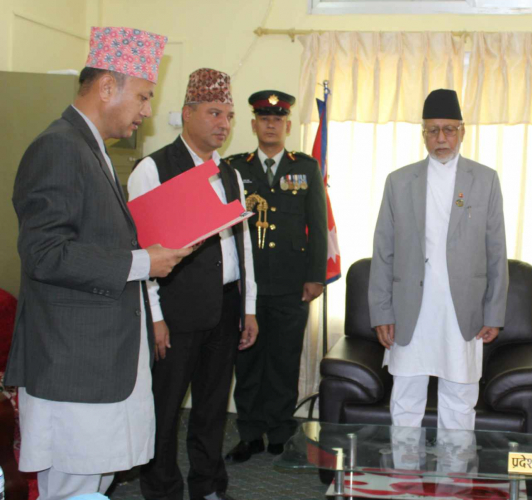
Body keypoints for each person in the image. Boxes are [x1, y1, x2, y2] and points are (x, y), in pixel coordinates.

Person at [5, 26, 192, 500]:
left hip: (101, 363)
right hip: (74, 367)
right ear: (108, 86)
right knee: (72, 488)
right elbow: (44, 254)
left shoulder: (94, 151)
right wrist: (140, 263)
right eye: (145, 97)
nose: (148, 111)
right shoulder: (58, 147)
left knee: (95, 483)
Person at [129, 68, 259, 500]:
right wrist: (155, 317)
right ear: (187, 114)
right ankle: (162, 489)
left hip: (224, 308)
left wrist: (248, 308)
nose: (223, 123)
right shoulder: (154, 169)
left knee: (211, 407)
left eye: (229, 115)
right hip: (176, 312)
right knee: (165, 411)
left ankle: (208, 485)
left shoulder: (230, 174)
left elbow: (243, 248)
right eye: (213, 112)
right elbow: (142, 250)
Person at [368, 88, 508, 431]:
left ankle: (454, 483)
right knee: (405, 399)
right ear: (423, 134)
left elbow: (496, 251)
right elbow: (383, 251)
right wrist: (382, 311)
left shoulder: (485, 180)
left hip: (462, 309)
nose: (441, 138)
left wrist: (494, 312)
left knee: (459, 401)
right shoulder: (399, 182)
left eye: (449, 129)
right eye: (433, 130)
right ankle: (403, 482)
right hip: (409, 307)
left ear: (462, 132)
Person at [223, 90, 327, 463]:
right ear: (252, 125)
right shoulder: (234, 167)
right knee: (247, 363)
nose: (271, 124)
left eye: (278, 118)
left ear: (287, 125)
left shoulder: (306, 168)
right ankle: (249, 432)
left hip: (290, 285)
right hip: (245, 287)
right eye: (264, 118)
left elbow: (317, 226)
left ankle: (281, 430)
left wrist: (315, 277)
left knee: (283, 361)